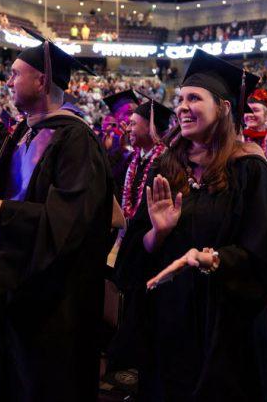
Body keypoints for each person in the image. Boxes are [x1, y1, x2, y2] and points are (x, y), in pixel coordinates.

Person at [0, 37, 114, 401]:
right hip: (16, 293)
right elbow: (2, 200)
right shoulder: (25, 132)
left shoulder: (76, 139)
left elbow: (69, 223)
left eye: (15, 74)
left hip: (56, 304)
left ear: (42, 81)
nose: (8, 82)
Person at [141, 50, 267, 400]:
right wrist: (158, 232)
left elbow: (262, 254)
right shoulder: (168, 166)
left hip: (228, 324)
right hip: (173, 319)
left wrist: (209, 259)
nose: (182, 107)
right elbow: (138, 253)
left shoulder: (248, 168)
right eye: (180, 99)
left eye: (194, 98)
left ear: (223, 107)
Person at [107, 97, 174, 373]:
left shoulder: (166, 163)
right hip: (131, 242)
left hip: (153, 248)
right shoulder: (134, 159)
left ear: (151, 127)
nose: (128, 128)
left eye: (134, 123)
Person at [103, 89, 141, 198]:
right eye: (129, 113)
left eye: (136, 112)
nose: (134, 117)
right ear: (116, 116)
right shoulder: (109, 140)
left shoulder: (141, 139)